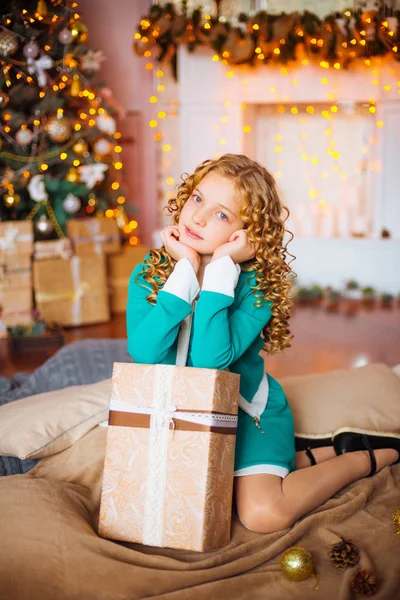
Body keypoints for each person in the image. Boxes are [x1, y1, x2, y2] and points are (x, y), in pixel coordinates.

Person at [126, 153, 399, 534]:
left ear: (246, 233)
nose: (199, 217)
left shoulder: (258, 287)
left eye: (222, 215)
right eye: (198, 199)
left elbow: (210, 363)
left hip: (245, 416)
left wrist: (219, 271)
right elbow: (145, 353)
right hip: (180, 414)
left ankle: (364, 456)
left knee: (262, 514)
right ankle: (312, 455)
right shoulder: (149, 272)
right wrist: (183, 271)